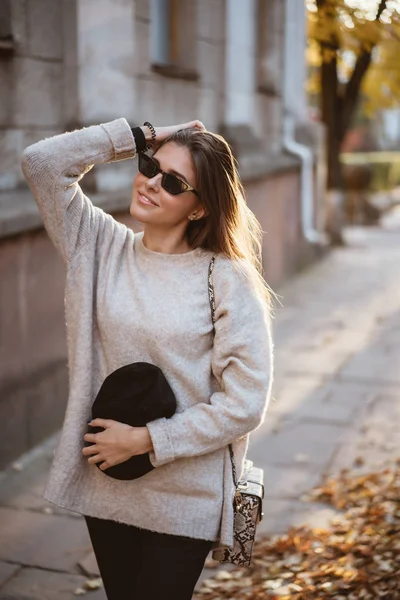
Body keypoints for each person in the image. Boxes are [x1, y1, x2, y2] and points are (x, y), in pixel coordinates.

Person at [20, 118, 274, 600]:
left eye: (174, 183)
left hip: (186, 494)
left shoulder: (226, 277)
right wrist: (140, 135)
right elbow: (42, 163)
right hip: (110, 483)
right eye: (150, 167)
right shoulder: (98, 246)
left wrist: (146, 440)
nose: (152, 183)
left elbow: (246, 403)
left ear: (199, 209)